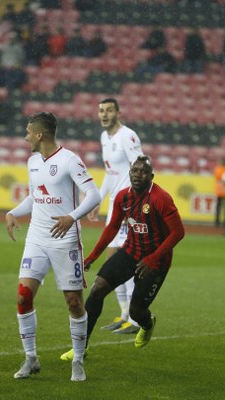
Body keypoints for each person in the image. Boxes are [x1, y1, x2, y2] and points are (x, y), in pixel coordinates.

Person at [59, 155, 185, 361]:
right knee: (97, 289)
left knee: (136, 312)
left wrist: (153, 258)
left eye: (143, 172)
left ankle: (147, 323)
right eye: (135, 171)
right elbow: (112, 228)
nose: (138, 175)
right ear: (129, 173)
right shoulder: (122, 197)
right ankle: (81, 347)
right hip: (130, 252)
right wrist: (92, 256)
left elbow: (178, 232)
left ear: (151, 176)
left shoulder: (160, 198)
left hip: (156, 262)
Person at [5, 112, 101, 381]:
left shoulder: (69, 160)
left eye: (27, 132)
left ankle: (78, 361)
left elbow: (94, 195)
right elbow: (36, 197)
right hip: (36, 237)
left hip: (65, 238)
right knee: (24, 295)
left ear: (39, 134)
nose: (25, 137)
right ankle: (31, 358)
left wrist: (72, 217)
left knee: (73, 302)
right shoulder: (33, 162)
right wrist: (14, 211)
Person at [87, 98, 144, 334]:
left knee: (124, 260)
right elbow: (111, 174)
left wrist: (135, 202)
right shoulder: (105, 138)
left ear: (118, 113)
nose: (104, 114)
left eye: (109, 110)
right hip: (115, 206)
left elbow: (141, 166)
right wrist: (97, 199)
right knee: (114, 260)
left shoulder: (127, 136)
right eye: (101, 110)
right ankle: (124, 314)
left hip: (128, 207)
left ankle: (135, 319)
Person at [213, 157, 225, 227]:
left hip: (221, 191)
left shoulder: (218, 169)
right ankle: (224, 222)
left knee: (219, 208)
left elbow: (218, 178)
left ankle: (217, 222)